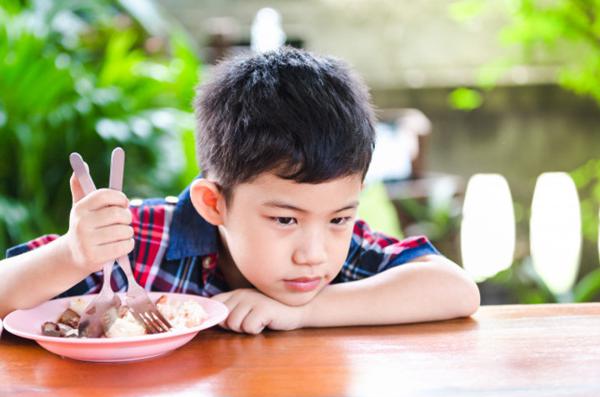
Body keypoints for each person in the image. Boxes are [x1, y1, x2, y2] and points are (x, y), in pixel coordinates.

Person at [0, 47, 479, 334]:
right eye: (285, 220)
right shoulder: (139, 240)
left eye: (339, 217)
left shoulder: (338, 248)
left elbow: (456, 291)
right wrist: (72, 255)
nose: (314, 254)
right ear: (213, 203)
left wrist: (303, 313)